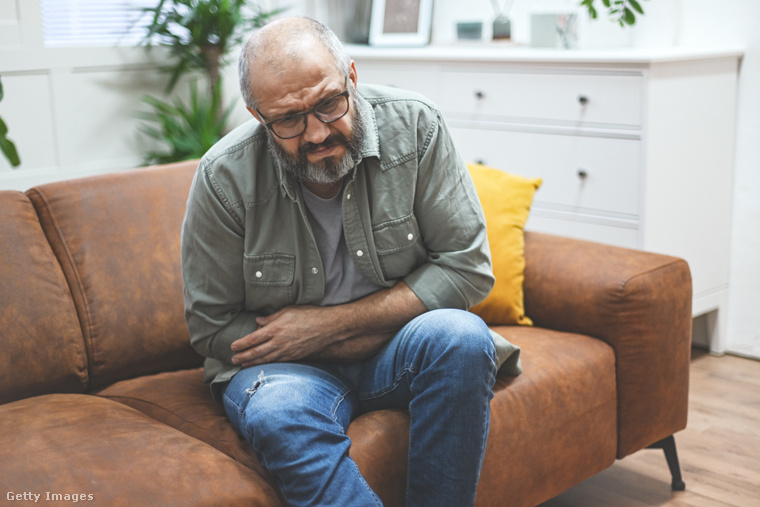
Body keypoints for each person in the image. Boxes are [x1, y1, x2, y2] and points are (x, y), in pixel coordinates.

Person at [181, 16, 520, 507]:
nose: (317, 132)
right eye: (289, 120)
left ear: (352, 78)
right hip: (288, 370)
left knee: (463, 338)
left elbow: (467, 267)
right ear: (259, 117)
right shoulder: (223, 178)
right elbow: (209, 327)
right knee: (278, 412)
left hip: (392, 347)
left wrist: (328, 327)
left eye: (328, 103)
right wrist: (327, 343)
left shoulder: (417, 126)